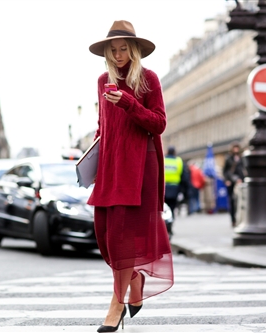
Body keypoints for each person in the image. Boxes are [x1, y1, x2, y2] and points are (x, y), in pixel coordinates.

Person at [87, 20, 174, 332]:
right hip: (110, 166)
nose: (119, 54)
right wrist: (91, 161)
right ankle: (134, 278)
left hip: (139, 167)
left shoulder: (148, 79)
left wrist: (128, 102)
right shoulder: (102, 81)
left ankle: (116, 304)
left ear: (134, 50)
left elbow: (159, 123)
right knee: (104, 235)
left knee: (122, 236)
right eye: (114, 50)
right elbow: (102, 126)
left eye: (124, 48)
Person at [223, 142, 246, 226]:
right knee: (232, 201)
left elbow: (243, 169)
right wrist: (227, 180)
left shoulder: (241, 158)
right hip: (231, 182)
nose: (236, 149)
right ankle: (233, 219)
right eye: (234, 148)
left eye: (237, 148)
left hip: (241, 181)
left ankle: (240, 218)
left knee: (241, 201)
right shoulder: (228, 158)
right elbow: (226, 171)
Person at [164, 146, 185, 219]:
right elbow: (183, 176)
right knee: (172, 207)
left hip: (164, 187)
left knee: (164, 207)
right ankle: (171, 222)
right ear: (174, 152)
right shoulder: (178, 161)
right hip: (175, 188)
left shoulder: (163, 160)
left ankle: (165, 224)